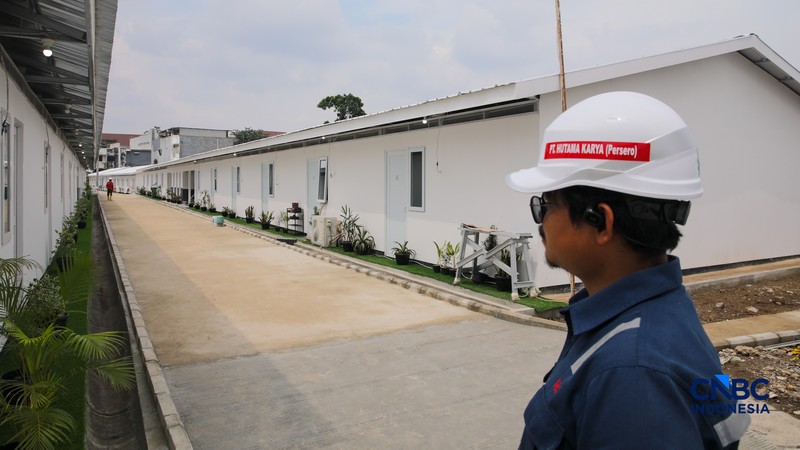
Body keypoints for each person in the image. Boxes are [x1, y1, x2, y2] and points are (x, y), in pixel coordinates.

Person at [506, 91, 750, 449]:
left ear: (601, 221)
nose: (541, 220)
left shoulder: (633, 376)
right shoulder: (649, 317)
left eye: (547, 203)